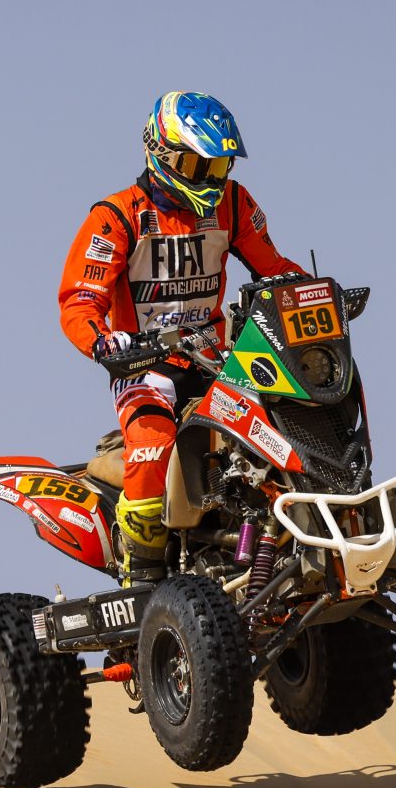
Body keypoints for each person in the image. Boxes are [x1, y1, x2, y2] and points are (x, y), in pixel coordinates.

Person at [59, 91, 306, 586]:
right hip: (145, 366)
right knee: (151, 448)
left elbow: (274, 269)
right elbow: (80, 301)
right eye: (198, 165)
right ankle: (143, 577)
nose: (211, 179)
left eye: (219, 166)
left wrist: (313, 295)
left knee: (290, 423)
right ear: (162, 153)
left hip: (220, 359)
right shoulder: (117, 216)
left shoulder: (233, 203)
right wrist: (103, 342)